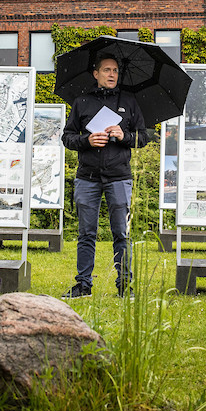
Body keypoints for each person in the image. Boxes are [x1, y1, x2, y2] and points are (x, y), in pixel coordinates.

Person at [61, 55, 148, 299]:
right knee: (86, 233)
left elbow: (145, 137)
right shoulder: (82, 102)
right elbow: (67, 137)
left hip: (119, 177)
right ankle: (83, 285)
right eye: (107, 70)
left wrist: (125, 136)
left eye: (116, 71)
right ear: (96, 74)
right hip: (87, 177)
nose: (112, 74)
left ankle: (124, 286)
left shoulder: (129, 101)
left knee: (121, 233)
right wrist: (86, 141)